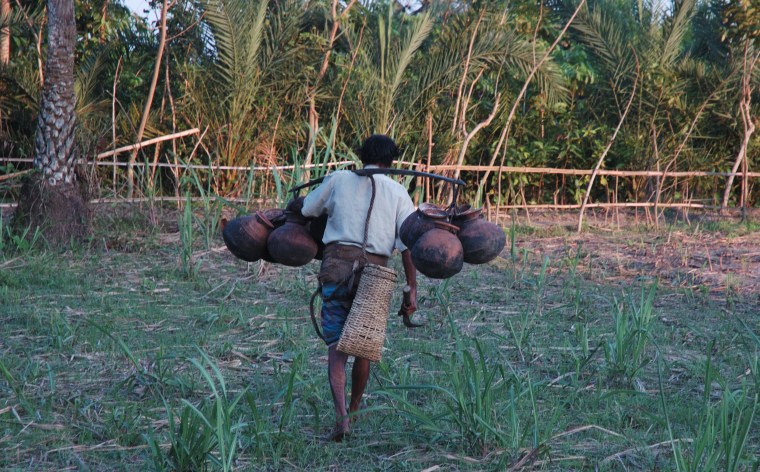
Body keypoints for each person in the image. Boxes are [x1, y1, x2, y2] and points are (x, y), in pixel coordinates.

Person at [301, 134, 418, 442]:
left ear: (361, 155)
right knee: (363, 349)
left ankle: (341, 417)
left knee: (336, 349)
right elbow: (407, 245)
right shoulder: (398, 192)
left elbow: (307, 210)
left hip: (337, 268)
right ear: (391, 162)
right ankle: (353, 409)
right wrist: (411, 289)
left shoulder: (338, 179)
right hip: (376, 274)